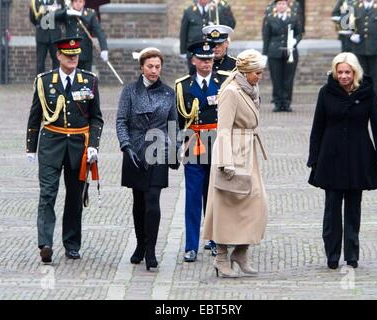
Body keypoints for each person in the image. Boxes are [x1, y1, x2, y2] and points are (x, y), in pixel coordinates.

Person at [307, 52, 377, 270]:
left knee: (353, 209)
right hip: (331, 156)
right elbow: (317, 127)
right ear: (335, 72)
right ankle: (332, 255)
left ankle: (352, 255)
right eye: (340, 72)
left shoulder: (367, 93)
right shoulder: (326, 92)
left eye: (347, 72)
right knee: (332, 209)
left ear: (355, 73)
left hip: (358, 156)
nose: (343, 76)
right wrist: (314, 158)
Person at [26, 37, 104, 263]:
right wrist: (31, 147)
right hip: (51, 143)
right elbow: (35, 116)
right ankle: (46, 243)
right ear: (58, 56)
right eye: (68, 55)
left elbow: (96, 118)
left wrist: (93, 146)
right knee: (48, 194)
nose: (72, 59)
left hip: (78, 146)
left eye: (76, 55)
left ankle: (71, 244)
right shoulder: (44, 81)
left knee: (74, 197)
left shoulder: (89, 81)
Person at [203, 49, 268, 278]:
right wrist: (225, 161)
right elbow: (223, 129)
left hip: (247, 152)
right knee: (226, 207)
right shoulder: (231, 91)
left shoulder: (249, 89)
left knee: (257, 204)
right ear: (246, 71)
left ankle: (241, 251)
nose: (260, 76)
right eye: (257, 73)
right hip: (232, 153)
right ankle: (221, 257)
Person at [116, 48, 180, 271]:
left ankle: (151, 250)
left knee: (153, 200)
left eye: (158, 66)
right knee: (139, 202)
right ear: (142, 67)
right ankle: (140, 246)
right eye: (150, 66)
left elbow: (174, 126)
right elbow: (121, 121)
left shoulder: (168, 93)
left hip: (158, 149)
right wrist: (126, 146)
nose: (154, 70)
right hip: (135, 150)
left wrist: (174, 153)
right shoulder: (130, 91)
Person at [176, 40, 228, 262]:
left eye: (210, 59)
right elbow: (178, 119)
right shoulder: (183, 86)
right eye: (202, 59)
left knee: (215, 195)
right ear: (193, 60)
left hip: (216, 142)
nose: (207, 63)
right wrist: (175, 149)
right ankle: (190, 245)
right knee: (193, 196)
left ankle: (215, 239)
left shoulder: (224, 81)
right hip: (193, 143)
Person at [262, 0, 302, 112]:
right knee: (276, 79)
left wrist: (295, 40)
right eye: (279, 4)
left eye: (283, 4)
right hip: (274, 52)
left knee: (288, 79)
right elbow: (266, 38)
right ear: (275, 6)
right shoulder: (269, 18)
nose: (281, 6)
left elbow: (299, 33)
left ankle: (287, 103)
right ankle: (278, 103)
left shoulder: (294, 17)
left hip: (290, 52)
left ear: (287, 5)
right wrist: (264, 54)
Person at [179, 0, 235, 75]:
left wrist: (224, 7)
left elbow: (229, 24)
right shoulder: (189, 10)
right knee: (194, 74)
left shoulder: (216, 9)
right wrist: (183, 51)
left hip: (210, 50)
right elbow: (183, 31)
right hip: (194, 51)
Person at [349, 0, 377, 95]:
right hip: (359, 46)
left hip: (375, 47)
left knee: (374, 73)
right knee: (360, 73)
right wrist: (352, 34)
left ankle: (374, 95)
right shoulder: (355, 7)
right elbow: (350, 23)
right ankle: (362, 93)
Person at [56, 0, 109, 71]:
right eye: (76, 1)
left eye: (80, 1)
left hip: (85, 52)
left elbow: (99, 32)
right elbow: (54, 16)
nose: (78, 4)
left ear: (84, 3)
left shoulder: (90, 14)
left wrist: (104, 49)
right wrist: (66, 12)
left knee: (86, 77)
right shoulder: (68, 13)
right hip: (71, 52)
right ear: (72, 3)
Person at [29, 0, 64, 75]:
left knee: (56, 61)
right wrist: (41, 26)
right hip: (41, 35)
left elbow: (62, 15)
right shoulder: (35, 2)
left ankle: (56, 83)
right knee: (40, 63)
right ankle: (40, 83)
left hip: (55, 36)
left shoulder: (58, 1)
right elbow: (32, 18)